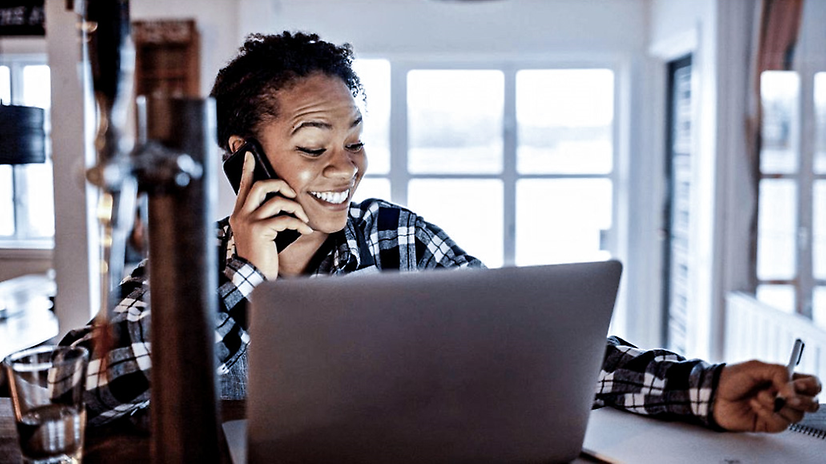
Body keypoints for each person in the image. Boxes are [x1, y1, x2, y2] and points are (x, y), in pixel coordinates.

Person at [62, 31, 821, 433]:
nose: (345, 166)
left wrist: (702, 389)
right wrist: (245, 279)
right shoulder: (182, 259)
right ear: (246, 157)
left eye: (355, 139)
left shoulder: (397, 239)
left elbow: (531, 348)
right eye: (314, 144)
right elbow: (72, 385)